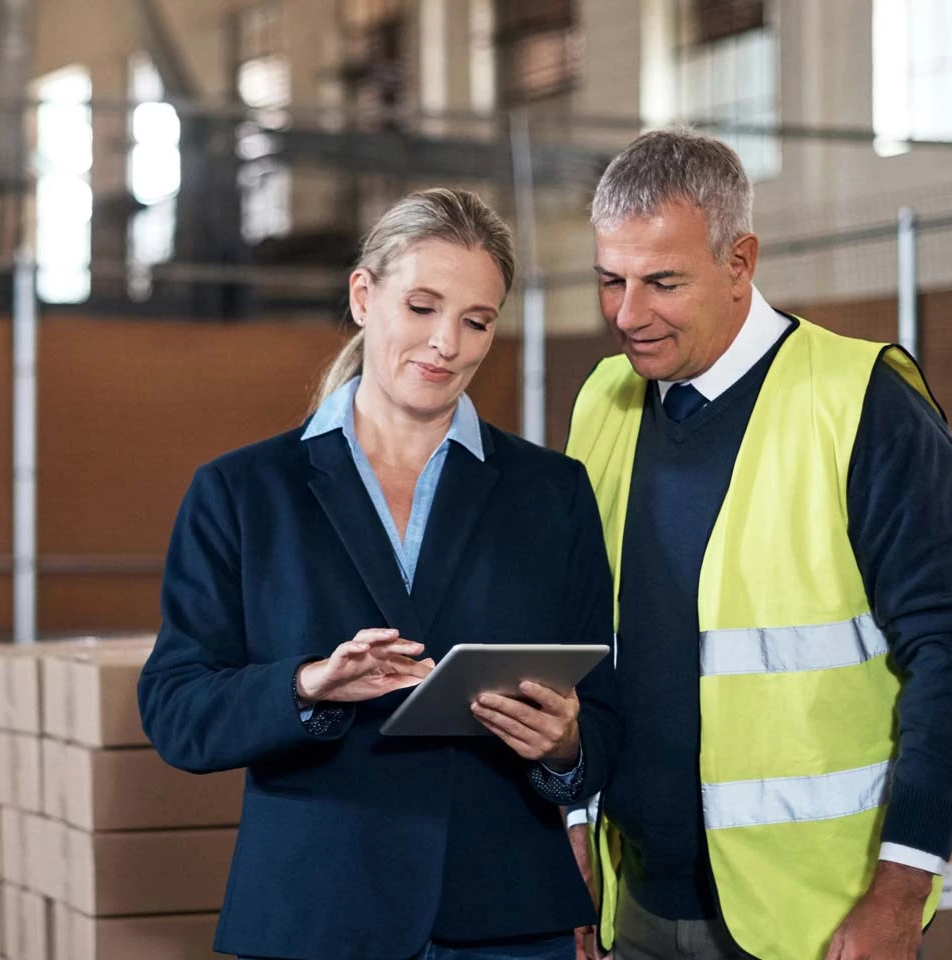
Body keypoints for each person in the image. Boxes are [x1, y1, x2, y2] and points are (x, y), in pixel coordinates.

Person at [544, 129, 952, 960]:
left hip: (817, 923)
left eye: (662, 282)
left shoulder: (862, 404)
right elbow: (583, 648)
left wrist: (901, 895)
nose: (627, 314)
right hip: (635, 903)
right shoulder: (603, 402)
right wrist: (572, 821)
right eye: (609, 280)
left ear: (740, 262)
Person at [137, 187, 620, 960]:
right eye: (422, 307)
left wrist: (565, 748)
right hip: (317, 912)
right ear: (364, 296)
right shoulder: (243, 493)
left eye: (476, 321)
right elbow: (176, 710)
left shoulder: (551, 494)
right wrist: (305, 687)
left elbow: (605, 713)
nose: (447, 344)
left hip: (504, 919)